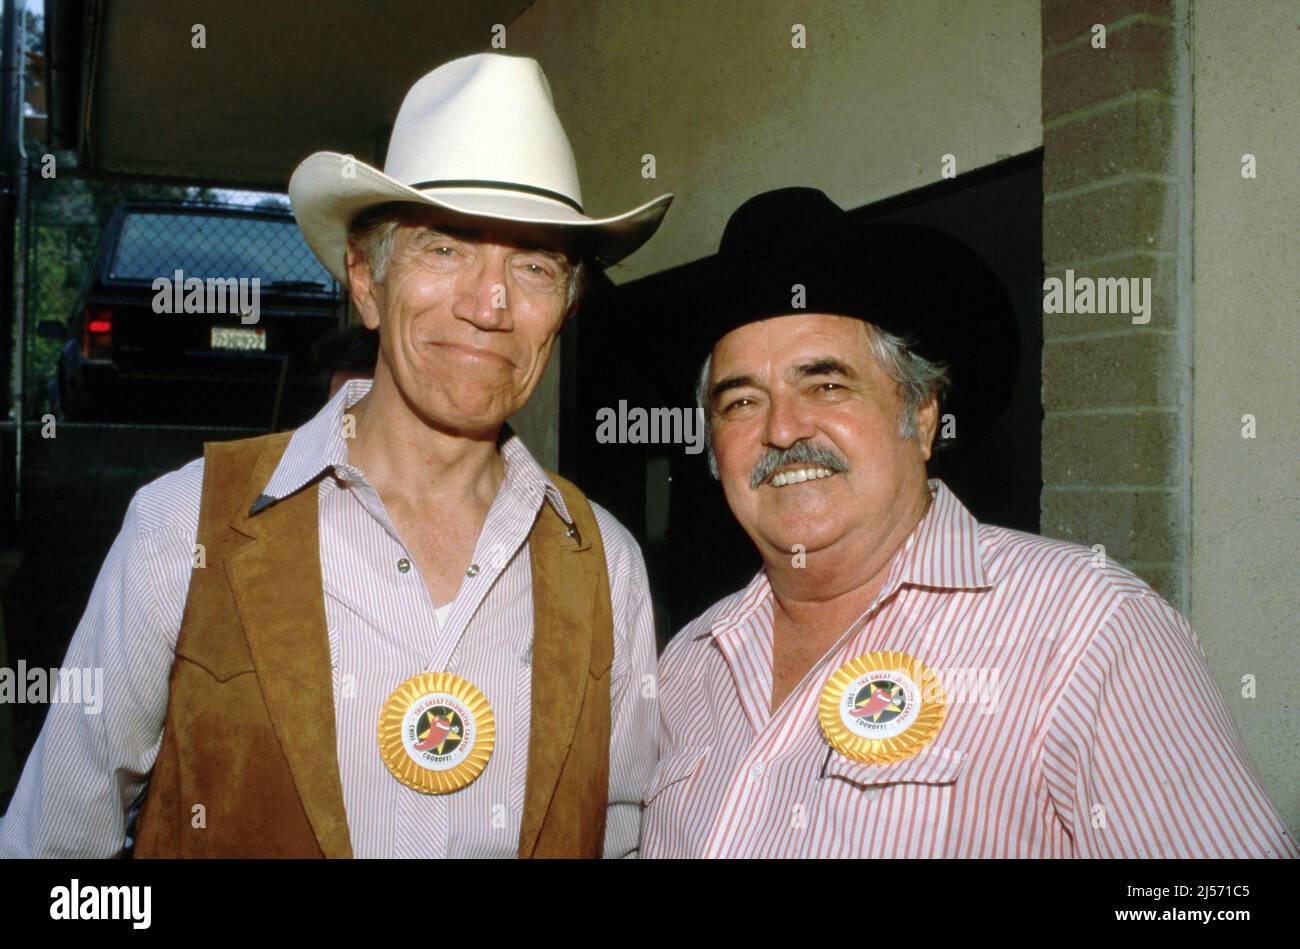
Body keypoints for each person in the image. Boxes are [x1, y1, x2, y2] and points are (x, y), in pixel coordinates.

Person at [0, 53, 672, 858]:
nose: (489, 305)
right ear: (365, 278)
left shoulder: (606, 566)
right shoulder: (184, 526)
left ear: (563, 306)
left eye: (532, 265)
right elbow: (52, 856)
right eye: (446, 249)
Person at [641, 187, 1297, 858]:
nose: (782, 429)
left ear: (921, 414)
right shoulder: (688, 665)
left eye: (827, 385)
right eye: (742, 401)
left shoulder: (1086, 630)